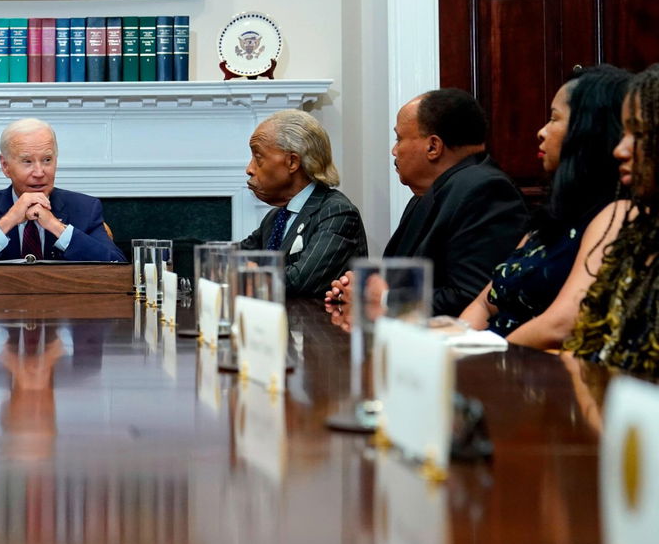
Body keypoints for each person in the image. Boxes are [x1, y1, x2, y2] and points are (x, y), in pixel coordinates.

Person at [445, 66, 630, 344]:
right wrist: (451, 345)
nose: (541, 131)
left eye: (554, 119)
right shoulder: (551, 216)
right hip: (489, 357)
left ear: (589, 129)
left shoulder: (616, 214)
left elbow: (562, 324)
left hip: (531, 368)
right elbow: (485, 304)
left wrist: (481, 357)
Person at [327, 89, 529, 315]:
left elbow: (473, 295)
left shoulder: (487, 191)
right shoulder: (428, 193)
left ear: (433, 146)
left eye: (399, 138)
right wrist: (361, 288)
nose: (394, 151)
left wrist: (381, 299)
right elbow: (402, 277)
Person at [566, 65, 659, 378]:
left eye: (640, 134)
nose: (620, 150)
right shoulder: (637, 238)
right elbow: (588, 348)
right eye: (623, 133)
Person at [0, 117, 125, 263]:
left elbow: (116, 264)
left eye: (47, 160)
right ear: (5, 166)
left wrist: (55, 226)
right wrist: (9, 220)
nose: (40, 172)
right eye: (27, 161)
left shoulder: (85, 208)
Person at [239, 110, 367, 297]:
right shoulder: (276, 217)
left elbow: (299, 282)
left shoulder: (337, 213)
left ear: (292, 162)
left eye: (258, 157)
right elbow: (235, 256)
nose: (249, 169)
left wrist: (246, 271)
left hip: (317, 325)